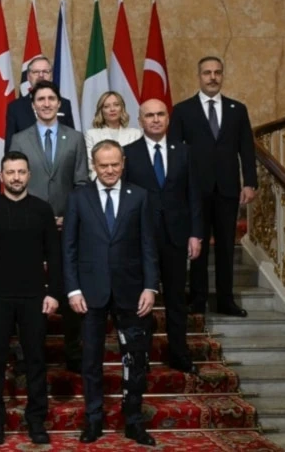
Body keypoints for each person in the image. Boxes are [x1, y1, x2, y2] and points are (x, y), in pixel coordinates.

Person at [63, 140, 159, 446]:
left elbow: (148, 245)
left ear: (123, 162)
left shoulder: (139, 196)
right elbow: (69, 249)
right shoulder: (78, 197)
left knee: (135, 359)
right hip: (89, 294)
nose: (109, 170)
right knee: (91, 360)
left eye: (115, 164)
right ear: (93, 164)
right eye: (103, 165)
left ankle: (133, 421)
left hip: (131, 292)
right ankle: (94, 420)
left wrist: (150, 286)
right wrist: (73, 289)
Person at [0, 151, 61, 446]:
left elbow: (55, 256)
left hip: (35, 297)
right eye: (10, 172)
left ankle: (36, 420)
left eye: (21, 172)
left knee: (36, 360)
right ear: (1, 176)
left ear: (29, 174)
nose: (16, 177)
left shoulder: (43, 210)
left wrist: (54, 293)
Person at [169, 56, 257, 317]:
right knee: (197, 245)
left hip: (228, 190)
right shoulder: (183, 110)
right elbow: (175, 151)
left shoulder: (237, 109)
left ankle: (225, 300)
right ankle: (197, 299)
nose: (212, 77)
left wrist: (250, 182)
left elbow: (247, 149)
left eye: (217, 72)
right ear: (199, 76)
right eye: (207, 73)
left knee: (227, 247)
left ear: (222, 75)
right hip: (195, 191)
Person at [10, 80, 87, 373]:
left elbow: (81, 182)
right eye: (40, 99)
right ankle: (28, 351)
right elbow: (15, 180)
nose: (45, 103)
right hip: (29, 224)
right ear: (33, 105)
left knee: (67, 285)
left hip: (67, 224)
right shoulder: (19, 139)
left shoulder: (76, 138)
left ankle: (73, 350)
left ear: (59, 104)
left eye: (50, 99)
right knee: (28, 288)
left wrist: (70, 215)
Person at [123, 99, 203, 375]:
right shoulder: (128, 154)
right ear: (140, 120)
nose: (155, 119)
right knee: (140, 301)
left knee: (176, 299)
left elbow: (194, 195)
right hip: (140, 239)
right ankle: (139, 355)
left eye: (160, 115)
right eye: (149, 115)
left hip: (176, 237)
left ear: (167, 119)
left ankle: (179, 353)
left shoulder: (184, 152)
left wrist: (196, 234)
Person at [6, 55, 75, 151]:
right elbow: (10, 146)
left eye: (45, 72)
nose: (41, 75)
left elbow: (72, 140)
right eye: (36, 72)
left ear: (51, 76)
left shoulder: (65, 104)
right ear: (28, 77)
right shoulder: (15, 107)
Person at [84, 91, 142, 177]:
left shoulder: (135, 133)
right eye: (106, 106)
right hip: (101, 182)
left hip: (130, 182)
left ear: (122, 108)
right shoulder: (91, 134)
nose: (112, 109)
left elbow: (138, 164)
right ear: (101, 111)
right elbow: (91, 164)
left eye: (116, 105)